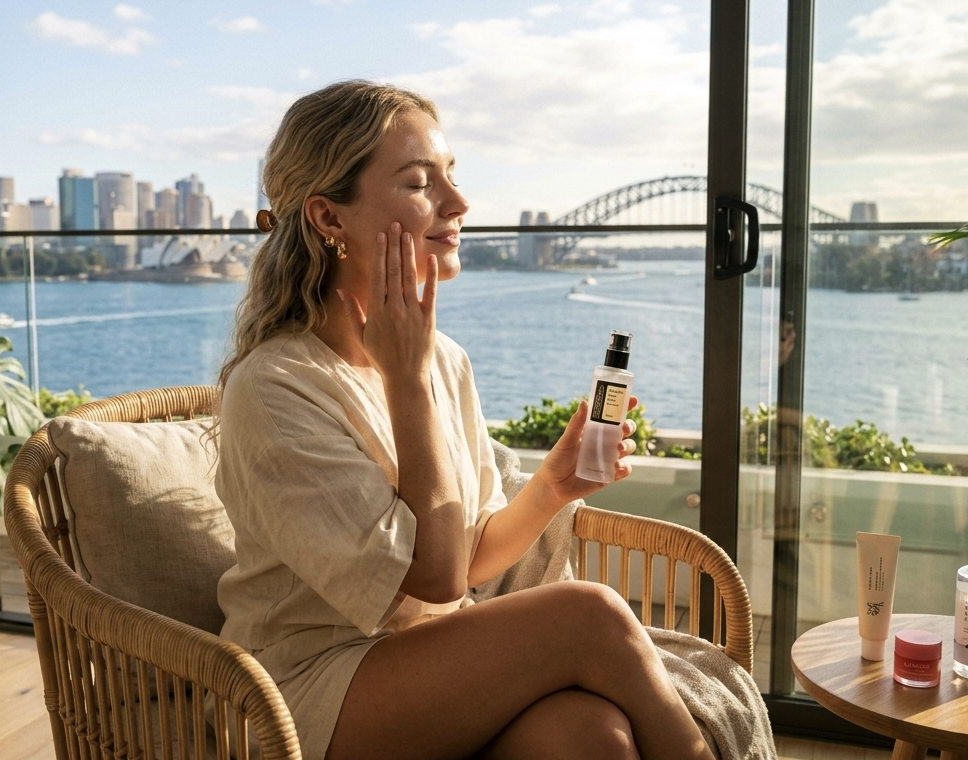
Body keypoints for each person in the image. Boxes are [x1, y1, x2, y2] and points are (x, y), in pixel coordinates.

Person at [215, 80, 713, 760]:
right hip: (302, 695)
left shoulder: (442, 361)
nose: (459, 205)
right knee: (588, 615)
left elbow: (469, 558)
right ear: (329, 219)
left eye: (451, 177)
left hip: (429, 659)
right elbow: (437, 579)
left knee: (593, 738)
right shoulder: (275, 389)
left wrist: (552, 488)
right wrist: (407, 379)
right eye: (421, 184)